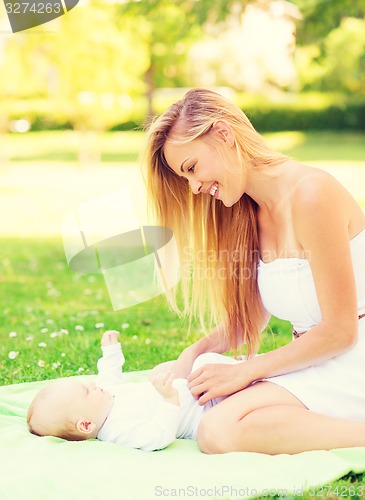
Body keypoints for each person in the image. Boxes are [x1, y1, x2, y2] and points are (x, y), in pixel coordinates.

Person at [144, 87, 365, 454]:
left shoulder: (312, 195)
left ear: (224, 135)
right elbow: (249, 319)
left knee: (218, 430)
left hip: (353, 357)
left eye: (192, 169)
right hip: (320, 359)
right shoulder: (248, 213)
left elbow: (341, 330)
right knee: (209, 390)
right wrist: (189, 358)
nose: (195, 187)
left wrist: (249, 369)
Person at [26, 330, 234, 451]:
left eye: (85, 383)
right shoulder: (116, 430)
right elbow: (157, 437)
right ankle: (256, 376)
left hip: (195, 389)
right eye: (86, 392)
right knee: (206, 364)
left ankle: (249, 368)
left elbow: (109, 373)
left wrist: (110, 350)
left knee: (203, 362)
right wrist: (170, 400)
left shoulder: (104, 395)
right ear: (86, 424)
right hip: (202, 411)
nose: (91, 385)